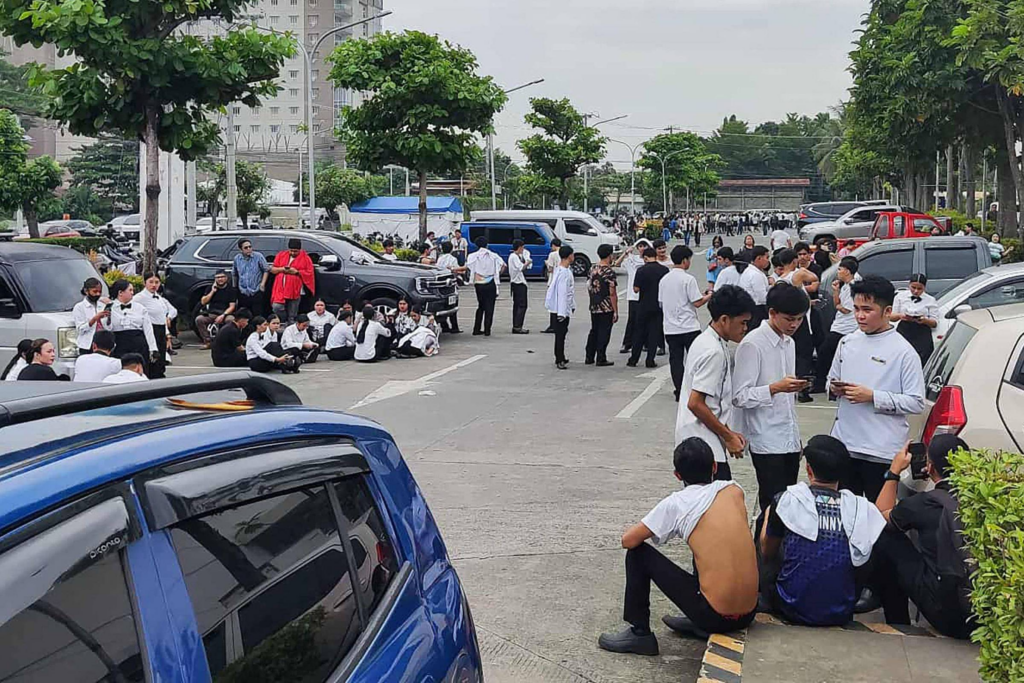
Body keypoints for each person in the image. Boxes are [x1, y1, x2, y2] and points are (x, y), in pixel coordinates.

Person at [597, 437, 758, 655]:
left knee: (638, 553)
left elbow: (628, 540)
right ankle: (699, 616)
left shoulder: (676, 503)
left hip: (714, 617)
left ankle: (640, 633)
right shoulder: (734, 490)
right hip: (748, 613)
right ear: (714, 467)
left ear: (678, 475)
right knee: (711, 545)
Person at [759, 435, 886, 626]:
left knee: (768, 529)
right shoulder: (861, 508)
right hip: (841, 611)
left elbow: (767, 551)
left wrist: (770, 513)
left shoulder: (786, 499)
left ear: (809, 469)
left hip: (791, 607)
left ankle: (764, 598)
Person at [828, 275, 925, 502]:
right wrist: (835, 388)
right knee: (846, 511)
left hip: (881, 450)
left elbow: (916, 402)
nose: (860, 316)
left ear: (887, 311)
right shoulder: (847, 342)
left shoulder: (904, 351)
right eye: (856, 309)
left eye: (867, 310)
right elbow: (831, 381)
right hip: (845, 444)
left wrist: (872, 396)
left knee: (878, 515)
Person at [869, 436, 976, 639]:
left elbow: (879, 516)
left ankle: (898, 620)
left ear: (930, 467)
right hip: (985, 616)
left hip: (950, 618)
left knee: (886, 537)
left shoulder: (925, 503)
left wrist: (894, 472)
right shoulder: (986, 500)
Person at [733, 283, 810, 515]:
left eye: (800, 319)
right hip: (765, 438)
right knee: (772, 506)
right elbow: (739, 396)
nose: (794, 325)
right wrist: (775, 388)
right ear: (772, 313)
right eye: (789, 319)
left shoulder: (789, 342)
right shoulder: (752, 344)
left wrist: (795, 436)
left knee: (788, 504)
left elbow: (788, 400)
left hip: (788, 437)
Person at [674, 286, 755, 480]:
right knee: (720, 497)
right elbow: (695, 403)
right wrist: (728, 437)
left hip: (699, 443)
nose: (745, 328)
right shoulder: (714, 352)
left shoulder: (708, 340)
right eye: (743, 322)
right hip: (703, 449)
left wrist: (728, 432)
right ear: (724, 319)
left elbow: (713, 402)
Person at [659, 245, 711, 400]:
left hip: (670, 328)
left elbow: (661, 302)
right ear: (684, 260)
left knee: (675, 360)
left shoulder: (664, 280)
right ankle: (696, 390)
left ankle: (679, 391)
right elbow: (697, 302)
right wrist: (710, 296)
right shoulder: (688, 279)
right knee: (696, 360)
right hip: (689, 327)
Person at [815, 256, 861, 394]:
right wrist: (836, 291)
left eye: (840, 269)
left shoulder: (854, 286)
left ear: (847, 271)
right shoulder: (845, 285)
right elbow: (837, 304)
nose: (838, 272)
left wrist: (839, 306)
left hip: (846, 327)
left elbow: (846, 309)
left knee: (825, 352)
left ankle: (821, 383)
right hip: (839, 325)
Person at [627, 248, 669, 369]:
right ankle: (650, 360)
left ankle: (633, 359)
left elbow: (636, 289)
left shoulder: (641, 270)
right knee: (654, 333)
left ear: (645, 258)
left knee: (639, 332)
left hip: (643, 305)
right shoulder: (664, 270)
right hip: (658, 306)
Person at [108, 279, 158, 374]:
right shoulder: (109, 307)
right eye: (130, 290)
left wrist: (153, 348)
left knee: (140, 371)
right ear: (120, 292)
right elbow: (107, 328)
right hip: (119, 344)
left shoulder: (140, 308)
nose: (132, 293)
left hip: (138, 344)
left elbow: (148, 329)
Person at [133, 271, 177, 379]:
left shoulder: (159, 298)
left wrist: (167, 331)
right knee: (152, 359)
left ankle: (159, 376)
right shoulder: (140, 298)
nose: (154, 285)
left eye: (157, 282)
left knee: (161, 358)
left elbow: (167, 313)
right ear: (145, 283)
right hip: (151, 330)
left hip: (161, 330)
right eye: (151, 282)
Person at [891, 274, 939, 366]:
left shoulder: (930, 300)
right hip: (904, 329)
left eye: (919, 289)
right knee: (902, 357)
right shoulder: (900, 297)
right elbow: (891, 317)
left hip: (922, 332)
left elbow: (934, 323)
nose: (916, 291)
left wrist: (924, 320)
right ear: (909, 285)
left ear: (924, 287)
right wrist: (900, 316)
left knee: (922, 360)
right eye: (913, 287)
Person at [585, 244, 618, 367]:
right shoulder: (609, 272)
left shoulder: (592, 268)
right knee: (604, 332)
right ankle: (601, 357)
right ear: (610, 255)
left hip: (594, 304)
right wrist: (615, 310)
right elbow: (612, 293)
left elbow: (589, 285)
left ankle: (589, 356)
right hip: (606, 306)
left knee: (594, 330)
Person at [616, 239, 651, 353]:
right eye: (640, 246)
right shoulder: (632, 260)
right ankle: (627, 343)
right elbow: (617, 264)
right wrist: (626, 253)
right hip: (633, 295)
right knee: (632, 320)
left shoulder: (651, 261)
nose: (642, 248)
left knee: (646, 320)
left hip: (647, 295)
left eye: (645, 246)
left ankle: (646, 343)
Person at [466, 236, 505, 336]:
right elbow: (503, 265)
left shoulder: (472, 256)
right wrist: (497, 273)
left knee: (481, 305)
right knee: (490, 306)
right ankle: (487, 330)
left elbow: (469, 266)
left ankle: (476, 329)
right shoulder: (493, 255)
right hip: (490, 282)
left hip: (479, 282)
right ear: (487, 244)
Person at [545, 245, 576, 370]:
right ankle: (559, 358)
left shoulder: (563, 270)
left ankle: (560, 356)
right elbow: (562, 293)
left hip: (560, 307)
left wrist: (572, 304)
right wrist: (562, 313)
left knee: (562, 333)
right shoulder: (563, 273)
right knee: (560, 335)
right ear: (569, 256)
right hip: (560, 309)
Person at [270, 238, 315, 324]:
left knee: (292, 313)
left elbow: (309, 273)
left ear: (300, 250)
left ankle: (290, 324)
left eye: (295, 251)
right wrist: (283, 269)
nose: (293, 253)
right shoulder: (281, 255)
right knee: (277, 307)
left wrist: (297, 272)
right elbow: (273, 269)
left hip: (295, 290)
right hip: (280, 289)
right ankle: (282, 320)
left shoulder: (305, 258)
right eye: (291, 251)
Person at [194, 270, 238, 349]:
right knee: (199, 319)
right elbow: (203, 302)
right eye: (218, 277)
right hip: (212, 313)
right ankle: (208, 342)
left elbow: (232, 306)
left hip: (225, 313)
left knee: (231, 320)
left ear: (226, 278)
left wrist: (223, 315)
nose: (220, 279)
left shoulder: (231, 290)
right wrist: (212, 291)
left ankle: (227, 342)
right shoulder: (210, 288)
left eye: (222, 277)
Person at [72, 277, 110, 356]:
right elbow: (80, 330)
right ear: (86, 291)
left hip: (103, 344)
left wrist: (109, 316)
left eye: (100, 292)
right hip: (87, 345)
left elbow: (109, 327)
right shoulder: (79, 307)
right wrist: (94, 319)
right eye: (95, 291)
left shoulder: (102, 305)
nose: (98, 294)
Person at [233, 238, 270, 316]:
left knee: (257, 315)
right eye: (246, 248)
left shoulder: (258, 256)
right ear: (241, 249)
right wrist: (235, 288)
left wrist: (262, 284)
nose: (249, 249)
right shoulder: (237, 258)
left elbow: (266, 270)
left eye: (250, 247)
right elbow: (234, 274)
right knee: (244, 315)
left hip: (256, 290)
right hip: (243, 291)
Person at [435, 242, 464, 334]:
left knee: (442, 306)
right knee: (453, 306)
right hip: (451, 284)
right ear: (451, 249)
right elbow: (456, 270)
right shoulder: (453, 259)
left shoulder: (440, 259)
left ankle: (444, 326)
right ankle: (454, 327)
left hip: (441, 284)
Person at [738, 245, 771, 328]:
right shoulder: (755, 274)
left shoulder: (751, 271)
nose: (768, 261)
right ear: (759, 258)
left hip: (750, 308)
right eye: (766, 257)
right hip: (757, 311)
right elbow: (762, 298)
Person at [508, 239, 533, 334]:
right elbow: (521, 267)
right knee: (522, 305)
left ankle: (516, 325)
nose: (523, 249)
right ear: (519, 247)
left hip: (517, 282)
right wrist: (528, 262)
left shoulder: (517, 256)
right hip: (518, 283)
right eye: (522, 247)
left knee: (517, 305)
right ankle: (518, 326)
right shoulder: (514, 257)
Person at [542, 238, 564, 334]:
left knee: (552, 304)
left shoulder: (553, 255)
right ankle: (560, 323)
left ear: (554, 245)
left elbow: (550, 269)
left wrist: (547, 263)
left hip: (553, 280)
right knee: (560, 303)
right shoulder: (563, 253)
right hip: (561, 280)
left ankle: (552, 325)